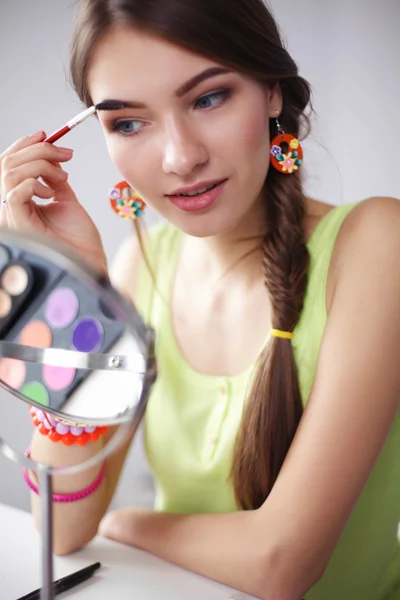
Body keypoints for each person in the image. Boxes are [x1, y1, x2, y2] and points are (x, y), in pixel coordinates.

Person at [0, 1, 399, 598]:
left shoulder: (376, 243)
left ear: (271, 90)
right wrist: (71, 294)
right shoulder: (142, 267)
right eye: (128, 123)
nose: (179, 157)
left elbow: (282, 563)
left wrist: (130, 523)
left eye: (208, 98)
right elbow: (63, 528)